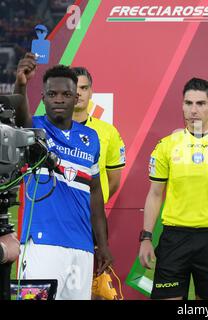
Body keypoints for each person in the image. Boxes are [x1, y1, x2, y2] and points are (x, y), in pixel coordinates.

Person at [138, 77, 208, 300]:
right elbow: (155, 193)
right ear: (182, 106)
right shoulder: (166, 145)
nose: (193, 110)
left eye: (200, 104)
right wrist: (146, 238)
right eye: (188, 103)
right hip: (174, 238)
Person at [13, 53, 113, 300]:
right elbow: (18, 118)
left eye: (66, 94)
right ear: (43, 97)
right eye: (52, 94)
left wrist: (102, 244)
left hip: (82, 247)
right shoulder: (34, 131)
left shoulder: (90, 139)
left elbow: (96, 192)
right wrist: (21, 84)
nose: (59, 99)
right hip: (42, 244)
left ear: (76, 98)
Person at [71, 67, 126, 204]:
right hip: (59, 213)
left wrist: (96, 203)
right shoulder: (52, 129)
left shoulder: (108, 131)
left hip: (92, 214)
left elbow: (113, 182)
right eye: (73, 88)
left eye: (84, 88)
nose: (78, 93)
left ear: (91, 92)